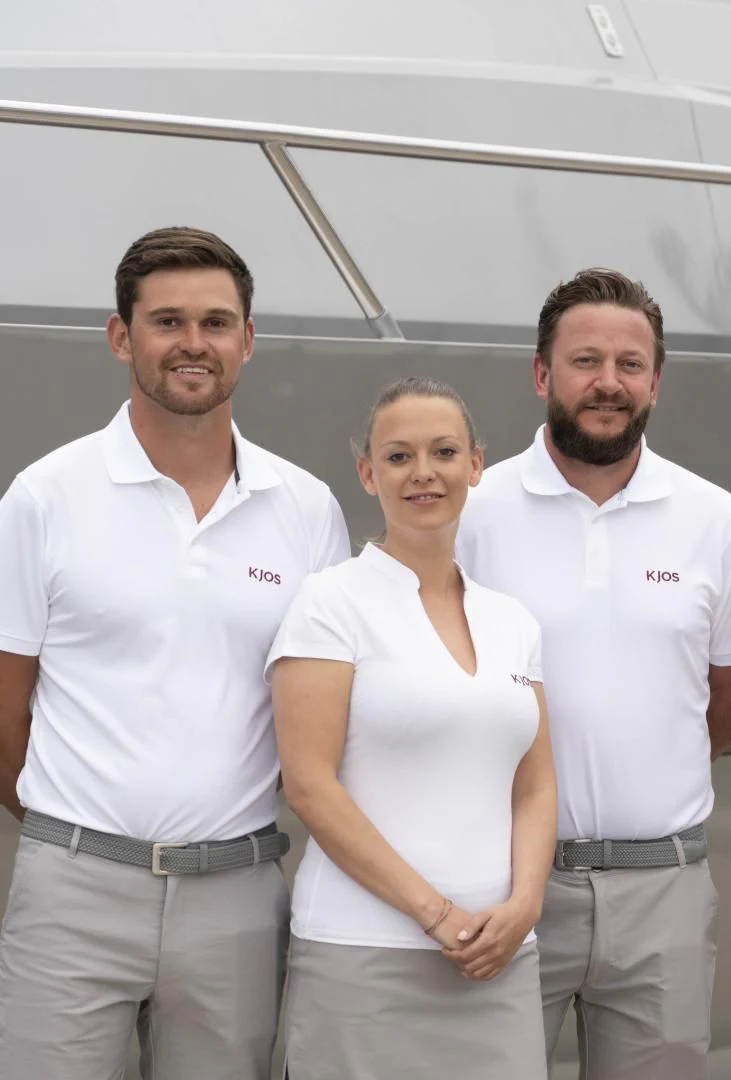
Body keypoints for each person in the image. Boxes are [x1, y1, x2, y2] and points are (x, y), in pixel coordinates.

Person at [0, 227, 349, 1079]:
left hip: (238, 896)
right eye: (167, 321)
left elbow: (328, 718)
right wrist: (75, 839)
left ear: (247, 340)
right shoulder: (45, 497)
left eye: (216, 322)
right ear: (123, 337)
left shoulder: (306, 510)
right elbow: (6, 707)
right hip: (73, 892)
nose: (193, 343)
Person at [456, 267, 731, 1078]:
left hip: (663, 886)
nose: (608, 383)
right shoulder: (471, 510)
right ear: (541, 373)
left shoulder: (713, 518)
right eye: (585, 361)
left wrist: (647, 763)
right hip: (498, 882)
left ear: (656, 382)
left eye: (630, 365)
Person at [269, 376, 556, 1080]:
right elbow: (309, 786)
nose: (423, 472)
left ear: (477, 466)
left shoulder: (513, 620)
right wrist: (435, 915)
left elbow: (535, 785)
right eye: (398, 457)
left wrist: (522, 907)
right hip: (364, 958)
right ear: (368, 473)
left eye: (444, 452)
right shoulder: (329, 603)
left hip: (499, 964)